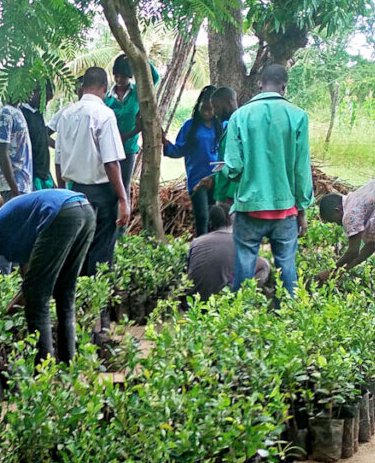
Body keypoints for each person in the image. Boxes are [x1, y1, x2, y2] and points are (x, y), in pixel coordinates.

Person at [215, 64, 312, 296]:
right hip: (285, 208)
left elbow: (234, 167)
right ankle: (289, 312)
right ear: (284, 87)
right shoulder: (298, 116)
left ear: (259, 84)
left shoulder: (240, 116)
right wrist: (302, 209)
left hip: (249, 207)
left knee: (244, 266)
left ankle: (241, 313)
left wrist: (228, 173)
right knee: (287, 266)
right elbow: (301, 170)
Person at [0, 189, 95, 364]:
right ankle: (68, 365)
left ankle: (43, 369)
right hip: (85, 210)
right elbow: (30, 281)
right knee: (65, 291)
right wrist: (12, 308)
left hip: (60, 212)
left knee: (38, 300)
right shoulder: (17, 228)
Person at [53, 67, 129, 276]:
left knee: (79, 247)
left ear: (83, 86)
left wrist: (62, 192)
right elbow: (111, 162)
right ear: (104, 87)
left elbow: (58, 160)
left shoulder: (66, 114)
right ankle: (98, 292)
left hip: (74, 191)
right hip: (101, 192)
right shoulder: (104, 114)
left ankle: (79, 291)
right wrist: (123, 199)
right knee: (101, 248)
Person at [163, 86, 220, 237]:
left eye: (210, 109)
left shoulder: (221, 126)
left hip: (217, 178)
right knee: (202, 217)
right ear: (198, 106)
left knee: (216, 217)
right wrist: (165, 144)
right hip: (197, 179)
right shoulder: (190, 126)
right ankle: (202, 246)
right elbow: (178, 150)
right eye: (204, 108)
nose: (207, 112)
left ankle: (216, 246)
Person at [187, 205, 270, 301]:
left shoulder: (196, 242)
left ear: (209, 223)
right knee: (263, 264)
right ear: (231, 221)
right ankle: (246, 300)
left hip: (193, 301)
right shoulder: (240, 241)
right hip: (224, 300)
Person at [106, 55, 160, 194]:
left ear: (129, 76)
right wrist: (135, 130)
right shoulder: (107, 98)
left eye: (123, 76)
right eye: (116, 76)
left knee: (124, 188)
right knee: (109, 188)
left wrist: (138, 57)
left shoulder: (137, 91)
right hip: (110, 149)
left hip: (128, 150)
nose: (119, 80)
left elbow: (154, 78)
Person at [0, 96, 34, 201]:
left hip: (22, 184)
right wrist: (15, 190)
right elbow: (2, 154)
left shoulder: (16, 109)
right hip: (13, 187)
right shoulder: (4, 114)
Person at [21, 81, 55, 189]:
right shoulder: (23, 114)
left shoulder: (37, 113)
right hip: (33, 173)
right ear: (37, 92)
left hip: (44, 172)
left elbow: (42, 136)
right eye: (45, 99)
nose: (46, 104)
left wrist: (60, 146)